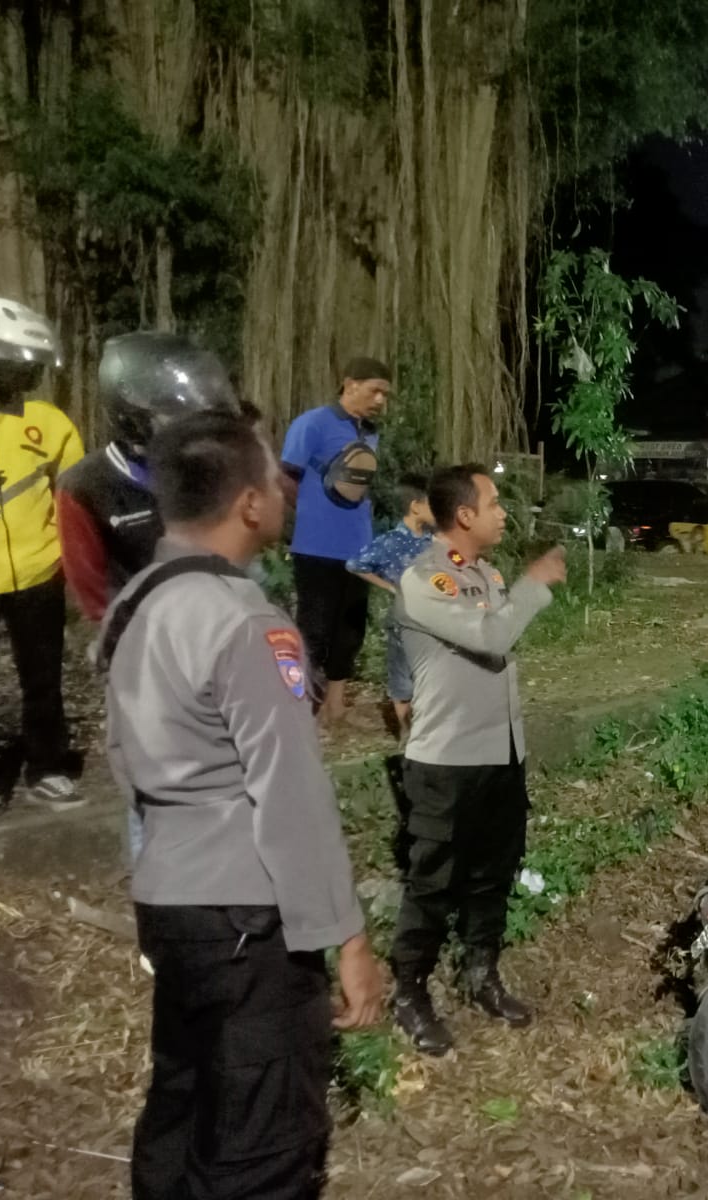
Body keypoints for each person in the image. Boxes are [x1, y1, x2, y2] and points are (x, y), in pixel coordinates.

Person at [99, 410, 384, 1196]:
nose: (287, 491)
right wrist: (347, 939)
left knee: (182, 1102)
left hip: (170, 896)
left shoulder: (134, 608)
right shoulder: (247, 623)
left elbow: (126, 763)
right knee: (263, 1138)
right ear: (251, 504)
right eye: (277, 479)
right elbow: (289, 796)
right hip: (243, 918)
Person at [388, 465, 566, 1054]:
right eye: (493, 503)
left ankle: (481, 973)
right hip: (446, 759)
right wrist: (534, 583)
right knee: (432, 881)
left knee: (494, 870)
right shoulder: (425, 579)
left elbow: (498, 633)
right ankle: (409, 991)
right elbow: (492, 637)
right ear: (463, 515)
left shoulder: (483, 573)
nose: (503, 512)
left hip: (499, 753)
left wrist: (516, 590)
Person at [0, 297, 84, 829]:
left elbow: (74, 496)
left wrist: (76, 568)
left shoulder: (47, 422)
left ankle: (48, 764)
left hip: (38, 568)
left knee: (42, 674)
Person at [58, 331, 240, 623]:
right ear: (132, 415)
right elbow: (91, 588)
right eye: (174, 413)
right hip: (145, 637)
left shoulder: (208, 464)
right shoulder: (86, 485)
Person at [280, 357, 391, 724]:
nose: (380, 401)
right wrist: (312, 514)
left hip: (359, 546)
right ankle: (300, 709)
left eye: (385, 395)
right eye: (375, 390)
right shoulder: (312, 424)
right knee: (313, 628)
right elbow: (286, 477)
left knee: (350, 626)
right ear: (349, 384)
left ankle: (335, 704)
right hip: (315, 546)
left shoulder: (369, 433)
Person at [345, 472, 434, 732]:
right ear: (415, 507)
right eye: (432, 505)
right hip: (404, 620)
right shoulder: (390, 542)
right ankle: (407, 734)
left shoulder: (433, 542)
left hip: (433, 620)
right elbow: (354, 564)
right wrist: (390, 587)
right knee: (402, 680)